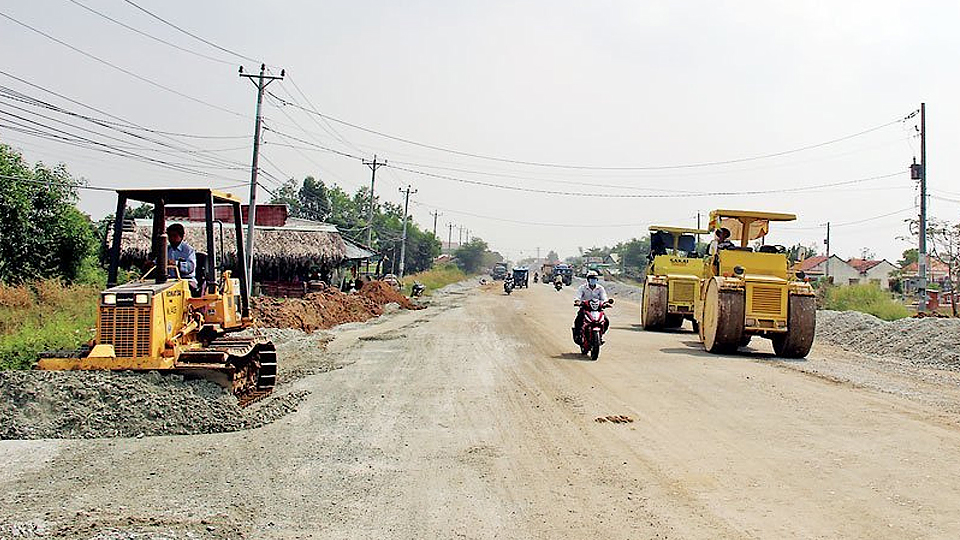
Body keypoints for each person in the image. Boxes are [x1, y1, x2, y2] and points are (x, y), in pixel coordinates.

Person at [573, 270, 610, 343]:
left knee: (606, 321)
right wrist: (578, 302)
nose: (593, 280)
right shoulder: (582, 288)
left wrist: (605, 303)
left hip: (597, 309)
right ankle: (578, 335)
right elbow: (578, 297)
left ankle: (601, 335)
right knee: (578, 320)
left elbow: (604, 298)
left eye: (595, 278)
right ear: (588, 279)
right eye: (591, 278)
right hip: (585, 309)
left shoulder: (600, 288)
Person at [165, 223, 196, 288]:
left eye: (174, 236)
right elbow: (157, 262)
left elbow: (190, 267)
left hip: (186, 280)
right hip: (169, 281)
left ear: (181, 236)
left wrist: (176, 263)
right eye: (170, 236)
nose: (171, 238)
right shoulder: (166, 250)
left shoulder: (188, 250)